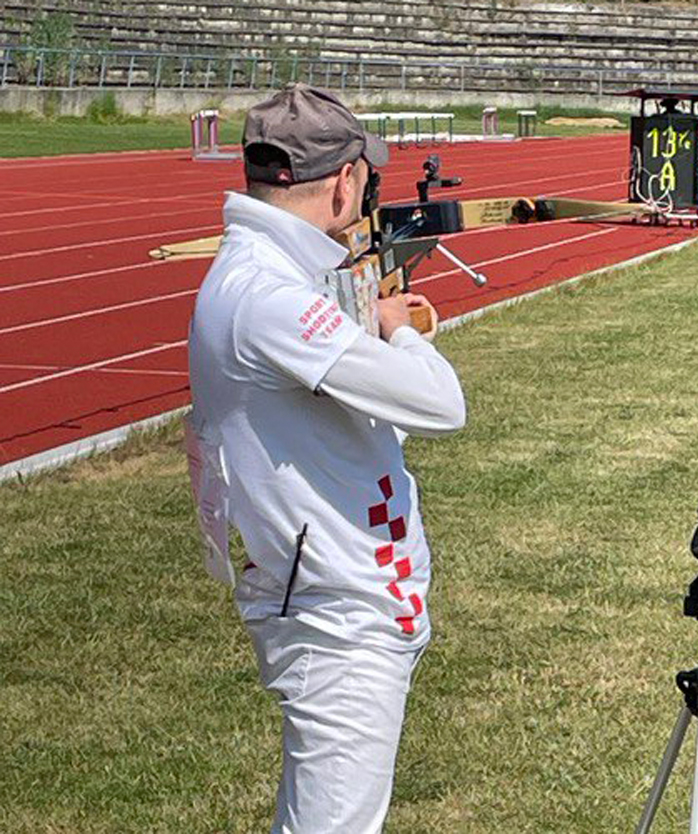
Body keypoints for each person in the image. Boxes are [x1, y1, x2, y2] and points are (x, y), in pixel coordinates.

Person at [186, 83, 466, 833]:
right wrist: (398, 330)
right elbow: (442, 404)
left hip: (349, 601)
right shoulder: (268, 294)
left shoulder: (269, 275)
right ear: (345, 181)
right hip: (339, 617)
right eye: (365, 177)